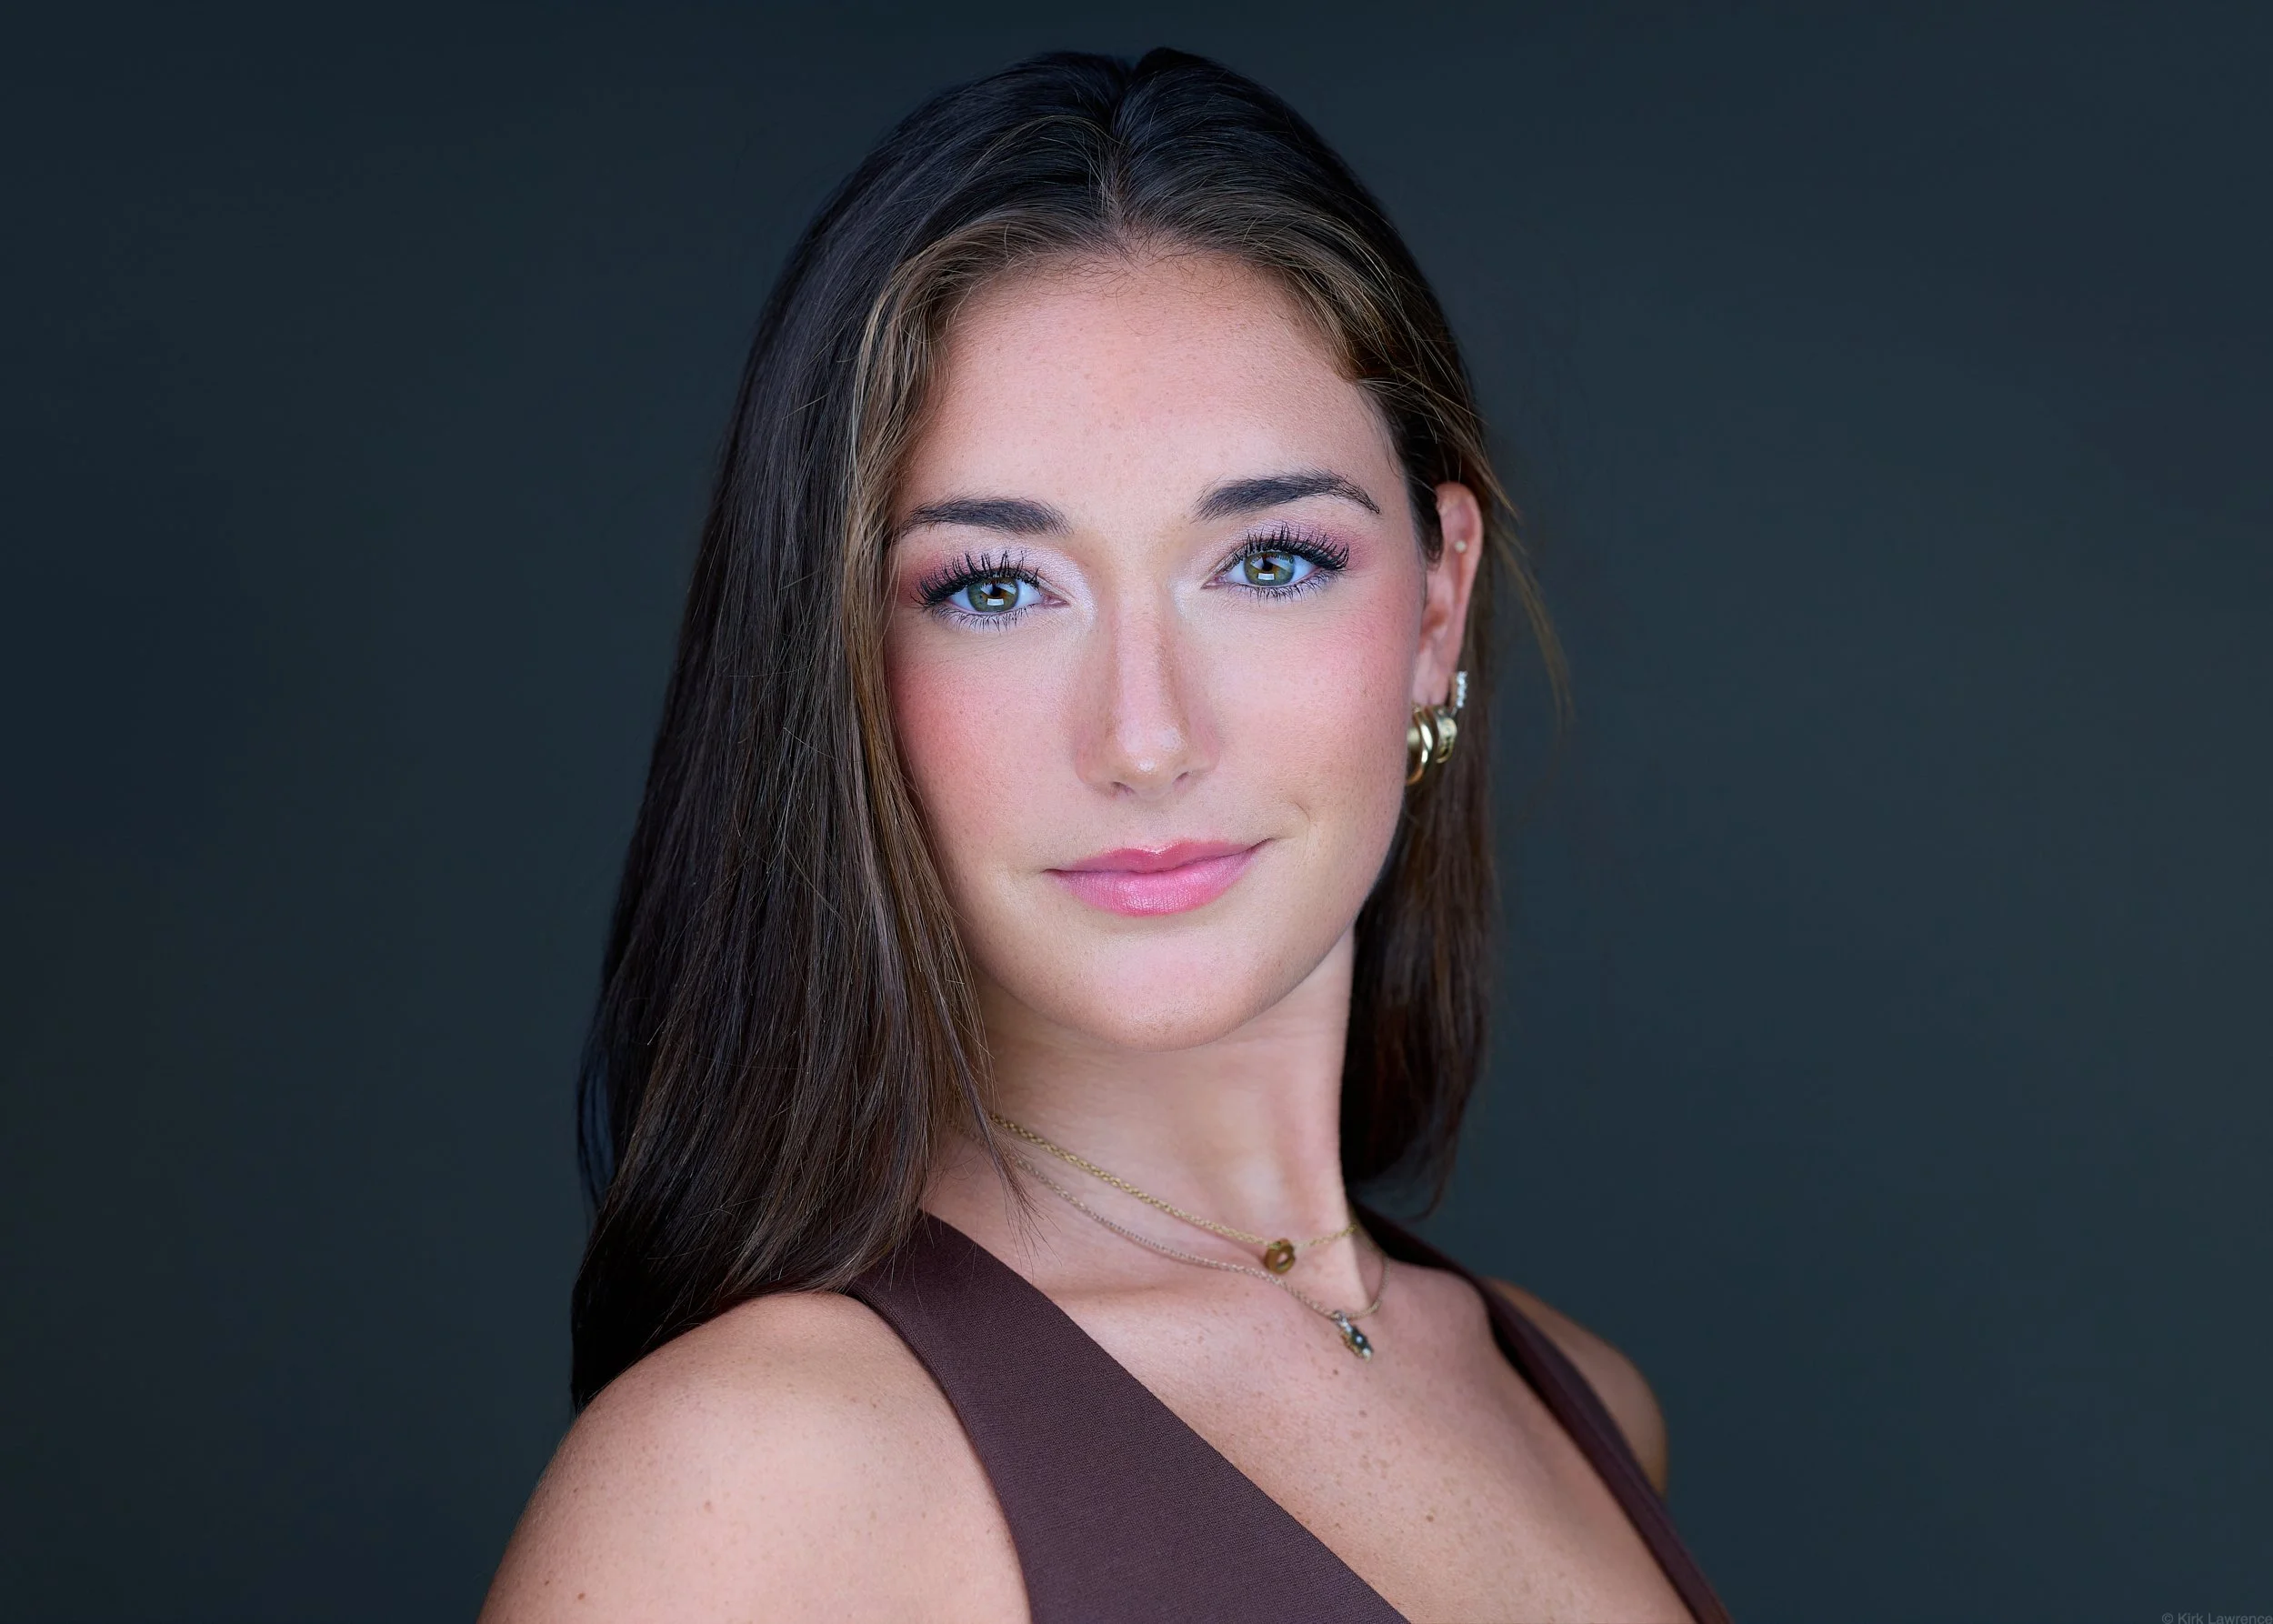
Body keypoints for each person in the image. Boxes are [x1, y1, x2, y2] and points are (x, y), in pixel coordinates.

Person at [482, 47, 1729, 1623]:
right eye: (995, 587)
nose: (1144, 735)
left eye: (1270, 562)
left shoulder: (1582, 1406)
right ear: (845, 671)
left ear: (1435, 603)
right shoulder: (754, 1483)